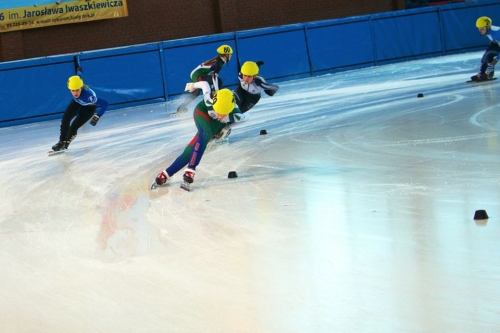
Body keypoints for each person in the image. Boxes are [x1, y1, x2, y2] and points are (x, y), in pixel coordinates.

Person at [152, 82, 249, 191]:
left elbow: (246, 118)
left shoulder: (236, 115)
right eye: (218, 111)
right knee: (206, 133)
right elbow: (205, 85)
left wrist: (226, 127)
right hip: (202, 112)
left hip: (215, 124)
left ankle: (166, 173)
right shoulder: (209, 101)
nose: (220, 115)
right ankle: (191, 170)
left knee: (191, 150)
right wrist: (192, 85)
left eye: (224, 114)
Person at [213, 61, 279, 142]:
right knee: (233, 105)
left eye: (249, 76)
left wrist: (269, 91)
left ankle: (225, 127)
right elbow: (247, 71)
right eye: (245, 75)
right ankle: (219, 118)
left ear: (254, 76)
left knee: (239, 112)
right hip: (241, 90)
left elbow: (275, 87)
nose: (246, 79)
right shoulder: (240, 75)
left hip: (252, 98)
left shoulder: (260, 82)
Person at [50, 69, 109, 152]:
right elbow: (79, 75)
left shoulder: (89, 97)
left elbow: (105, 103)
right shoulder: (77, 81)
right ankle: (61, 143)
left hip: (89, 107)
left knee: (74, 126)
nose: (75, 93)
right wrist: (79, 70)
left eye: (77, 90)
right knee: (65, 120)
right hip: (77, 102)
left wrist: (97, 116)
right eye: (72, 90)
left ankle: (66, 145)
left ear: (81, 87)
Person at [175, 44, 233, 114]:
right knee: (219, 81)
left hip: (196, 74)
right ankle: (214, 103)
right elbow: (214, 77)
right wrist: (217, 91)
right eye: (230, 54)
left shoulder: (219, 60)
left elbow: (212, 74)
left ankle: (180, 108)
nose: (231, 56)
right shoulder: (219, 63)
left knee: (195, 94)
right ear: (225, 54)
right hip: (197, 75)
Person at [471, 16, 500, 81]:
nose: (480, 30)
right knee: (485, 56)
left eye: (482, 28)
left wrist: (497, 58)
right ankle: (482, 73)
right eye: (479, 28)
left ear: (488, 26)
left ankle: (490, 73)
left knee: (490, 54)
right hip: (496, 42)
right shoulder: (488, 31)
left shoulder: (497, 32)